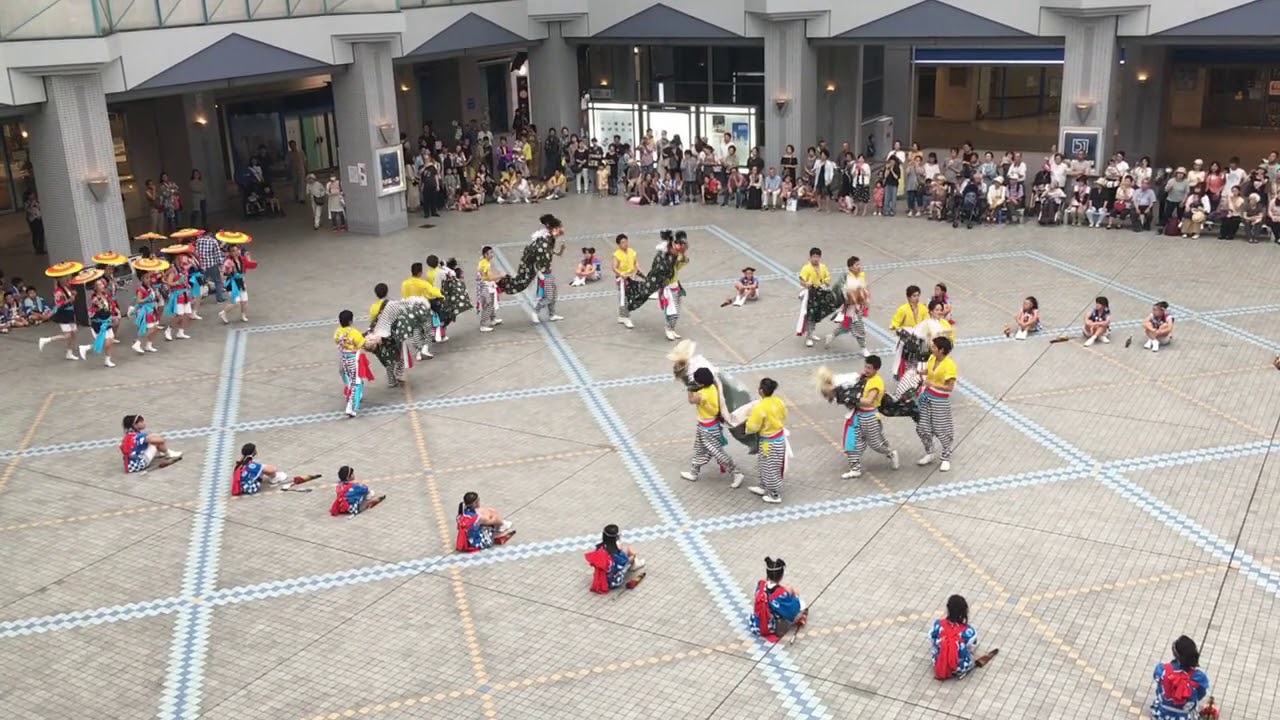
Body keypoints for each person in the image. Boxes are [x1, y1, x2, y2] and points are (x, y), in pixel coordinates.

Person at [679, 367, 746, 487]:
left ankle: (737, 473)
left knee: (718, 453)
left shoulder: (702, 395)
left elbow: (691, 400)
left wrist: (689, 388)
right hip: (707, 426)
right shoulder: (713, 387)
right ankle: (694, 472)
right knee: (700, 449)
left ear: (702, 383)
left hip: (708, 429)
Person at [495, 214, 566, 324]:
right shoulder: (544, 243)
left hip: (543, 271)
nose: (562, 230)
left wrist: (560, 251)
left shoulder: (548, 238)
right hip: (541, 272)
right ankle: (535, 312)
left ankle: (551, 314)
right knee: (549, 295)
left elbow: (549, 253)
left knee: (553, 293)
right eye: (560, 228)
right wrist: (543, 277)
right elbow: (542, 262)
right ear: (554, 229)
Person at [838, 355, 899, 479]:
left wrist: (850, 398)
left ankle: (891, 453)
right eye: (865, 366)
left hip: (869, 416)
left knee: (876, 444)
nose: (866, 369)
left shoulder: (876, 382)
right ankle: (855, 469)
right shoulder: (864, 378)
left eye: (869, 368)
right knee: (854, 443)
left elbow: (869, 401)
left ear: (876, 369)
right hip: (858, 415)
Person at [745, 378, 789, 504]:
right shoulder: (778, 402)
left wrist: (746, 426)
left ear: (761, 391)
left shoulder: (760, 407)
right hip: (779, 438)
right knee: (764, 465)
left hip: (769, 443)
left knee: (770, 468)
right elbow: (784, 415)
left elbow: (753, 426)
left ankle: (774, 494)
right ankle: (762, 486)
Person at [917, 336, 957, 472]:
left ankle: (946, 457)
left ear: (941, 350)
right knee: (922, 427)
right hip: (926, 396)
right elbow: (930, 370)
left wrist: (932, 383)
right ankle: (930, 452)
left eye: (934, 347)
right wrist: (921, 372)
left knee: (942, 429)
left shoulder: (949, 365)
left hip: (940, 400)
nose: (931, 349)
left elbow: (949, 387)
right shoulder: (932, 358)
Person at [747, 557, 808, 643]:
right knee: (801, 605)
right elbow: (792, 611)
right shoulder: (781, 595)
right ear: (781, 575)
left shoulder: (760, 584)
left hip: (755, 624)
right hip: (769, 627)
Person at [1150, 635, 1210, 719]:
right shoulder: (1200, 678)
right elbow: (1201, 694)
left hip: (1163, 713)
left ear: (1175, 654)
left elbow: (1158, 687)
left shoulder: (1161, 670)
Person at [230, 443, 321, 496]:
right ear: (253, 452)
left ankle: (275, 477)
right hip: (250, 488)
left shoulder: (240, 463)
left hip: (242, 486)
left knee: (262, 468)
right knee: (266, 469)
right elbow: (271, 469)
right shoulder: (252, 465)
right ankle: (275, 479)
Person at [824, 256, 869, 356]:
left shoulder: (862, 275)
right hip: (850, 308)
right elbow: (842, 291)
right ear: (850, 267)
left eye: (859, 264)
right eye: (856, 265)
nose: (859, 267)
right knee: (859, 327)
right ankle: (863, 348)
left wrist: (865, 299)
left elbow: (865, 288)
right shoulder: (846, 277)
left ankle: (831, 336)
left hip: (859, 306)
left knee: (845, 327)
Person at [584, 524, 646, 593]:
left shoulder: (599, 548)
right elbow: (624, 562)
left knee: (625, 550)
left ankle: (633, 564)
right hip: (614, 582)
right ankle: (634, 565)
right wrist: (631, 556)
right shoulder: (617, 555)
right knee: (631, 554)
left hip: (602, 579)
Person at [335, 310, 373, 417]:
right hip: (353, 359)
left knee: (350, 380)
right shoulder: (354, 332)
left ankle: (350, 401)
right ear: (351, 321)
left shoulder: (338, 332)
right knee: (355, 382)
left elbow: (336, 341)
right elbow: (363, 344)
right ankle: (351, 407)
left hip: (343, 358)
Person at [931, 594, 978, 680]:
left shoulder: (938, 625)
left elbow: (931, 639)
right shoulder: (969, 631)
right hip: (960, 667)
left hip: (939, 663)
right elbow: (971, 647)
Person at [36, 275, 81, 361]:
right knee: (67, 335)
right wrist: (69, 300)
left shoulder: (67, 288)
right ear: (59, 279)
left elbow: (71, 299)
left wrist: (73, 296)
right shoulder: (58, 291)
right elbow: (58, 304)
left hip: (70, 313)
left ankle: (69, 352)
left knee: (74, 333)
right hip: (63, 314)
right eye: (64, 278)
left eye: (66, 277)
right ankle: (46, 340)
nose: (66, 279)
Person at [796, 247, 832, 347]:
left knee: (816, 315)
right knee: (809, 315)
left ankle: (812, 333)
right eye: (813, 256)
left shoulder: (823, 267)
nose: (815, 259)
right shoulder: (806, 268)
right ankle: (808, 337)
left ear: (820, 257)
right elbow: (801, 280)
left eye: (817, 257)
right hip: (810, 294)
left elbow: (827, 277)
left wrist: (825, 283)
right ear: (810, 257)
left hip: (820, 293)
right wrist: (806, 284)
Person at [612, 234, 643, 329]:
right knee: (624, 297)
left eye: (626, 242)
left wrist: (639, 269)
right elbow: (614, 267)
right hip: (622, 278)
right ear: (619, 244)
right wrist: (621, 273)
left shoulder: (631, 251)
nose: (625, 244)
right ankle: (626, 317)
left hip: (632, 276)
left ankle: (622, 315)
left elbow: (635, 262)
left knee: (632, 296)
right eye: (622, 242)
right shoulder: (617, 254)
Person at [219, 244, 255, 324]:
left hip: (241, 281)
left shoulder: (241, 258)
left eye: (237, 250)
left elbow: (249, 265)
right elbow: (223, 274)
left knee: (245, 301)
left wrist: (248, 257)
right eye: (233, 251)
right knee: (236, 302)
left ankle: (243, 315)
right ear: (230, 253)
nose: (236, 252)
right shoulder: (228, 262)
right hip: (233, 283)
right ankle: (223, 313)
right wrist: (230, 270)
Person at [130, 271, 163, 354]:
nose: (149, 279)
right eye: (147, 278)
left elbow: (154, 297)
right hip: (146, 311)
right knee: (150, 328)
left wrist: (156, 295)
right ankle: (138, 342)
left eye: (150, 277)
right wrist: (147, 299)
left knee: (155, 327)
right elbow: (138, 301)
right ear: (142, 279)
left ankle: (149, 345)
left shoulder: (151, 287)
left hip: (153, 309)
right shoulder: (141, 289)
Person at [475, 246, 504, 333]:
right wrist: (501, 275)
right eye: (490, 253)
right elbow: (490, 277)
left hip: (484, 285)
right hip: (486, 286)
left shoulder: (483, 261)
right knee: (488, 305)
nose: (492, 254)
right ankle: (483, 325)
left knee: (491, 303)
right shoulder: (486, 264)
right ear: (485, 254)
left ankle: (493, 319)